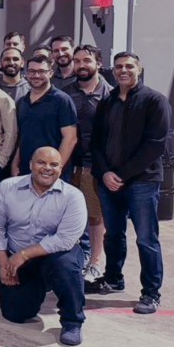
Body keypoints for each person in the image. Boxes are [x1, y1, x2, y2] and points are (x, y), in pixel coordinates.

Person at [91, 52, 171, 314]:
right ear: (112, 71)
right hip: (108, 181)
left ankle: (151, 293)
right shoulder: (108, 101)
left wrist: (122, 175)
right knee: (113, 234)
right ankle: (113, 279)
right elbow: (97, 142)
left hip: (142, 182)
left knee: (146, 239)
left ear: (139, 69)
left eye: (128, 66)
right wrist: (104, 173)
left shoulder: (154, 100)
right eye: (118, 67)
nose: (122, 71)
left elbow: (155, 145)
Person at [0, 147, 87, 346]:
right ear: (31, 164)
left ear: (61, 167)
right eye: (41, 162)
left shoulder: (73, 196)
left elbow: (65, 239)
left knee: (65, 265)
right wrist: (4, 263)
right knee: (15, 314)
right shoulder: (7, 187)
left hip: (56, 255)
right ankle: (40, 284)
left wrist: (24, 254)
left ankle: (72, 321)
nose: (47, 168)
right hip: (16, 257)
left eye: (54, 164)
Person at [62, 45, 111, 289]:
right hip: (68, 164)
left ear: (98, 64)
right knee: (67, 216)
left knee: (94, 217)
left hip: (95, 166)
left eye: (87, 60)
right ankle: (71, 261)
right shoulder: (65, 93)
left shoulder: (110, 95)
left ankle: (94, 261)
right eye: (77, 61)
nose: (81, 65)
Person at [13, 55, 77, 176]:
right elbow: (22, 137)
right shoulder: (22, 102)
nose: (36, 75)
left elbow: (70, 139)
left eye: (41, 71)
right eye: (32, 71)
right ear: (26, 73)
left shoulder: (62, 100)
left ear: (51, 73)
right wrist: (15, 163)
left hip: (51, 173)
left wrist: (55, 169)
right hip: (25, 171)